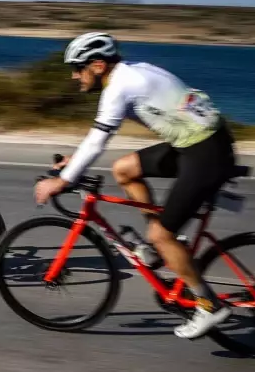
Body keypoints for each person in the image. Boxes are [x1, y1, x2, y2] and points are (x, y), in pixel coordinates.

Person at [33, 32, 239, 340]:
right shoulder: (131, 71)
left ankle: (209, 305)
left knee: (161, 234)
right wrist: (75, 161)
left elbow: (99, 139)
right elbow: (97, 138)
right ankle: (161, 245)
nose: (74, 75)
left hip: (206, 153)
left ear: (98, 65)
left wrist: (63, 180)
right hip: (198, 143)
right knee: (124, 169)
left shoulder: (119, 87)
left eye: (78, 68)